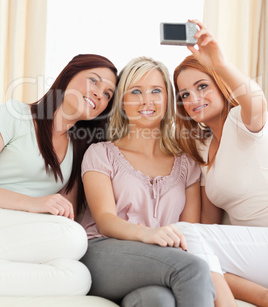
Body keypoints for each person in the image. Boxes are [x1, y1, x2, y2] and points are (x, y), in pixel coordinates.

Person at [80, 56, 219, 307]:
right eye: (136, 91)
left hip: (163, 263)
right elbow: (106, 220)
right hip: (105, 254)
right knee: (194, 269)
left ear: (168, 100)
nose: (147, 100)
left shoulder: (187, 163)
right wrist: (148, 234)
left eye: (156, 91)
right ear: (122, 102)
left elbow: (188, 230)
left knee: (158, 300)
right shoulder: (101, 154)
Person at [0, 54, 117, 296]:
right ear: (68, 75)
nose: (99, 94)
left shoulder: (80, 149)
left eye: (107, 94)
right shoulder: (15, 114)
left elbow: (66, 218)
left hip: (24, 236)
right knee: (73, 237)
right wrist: (33, 204)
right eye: (94, 81)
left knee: (78, 277)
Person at [173, 20, 268, 306]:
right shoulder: (201, 148)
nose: (194, 99)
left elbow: (257, 100)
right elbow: (207, 227)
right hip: (250, 253)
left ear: (221, 84)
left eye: (202, 86)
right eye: (185, 95)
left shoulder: (242, 120)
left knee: (184, 233)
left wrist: (219, 62)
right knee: (188, 249)